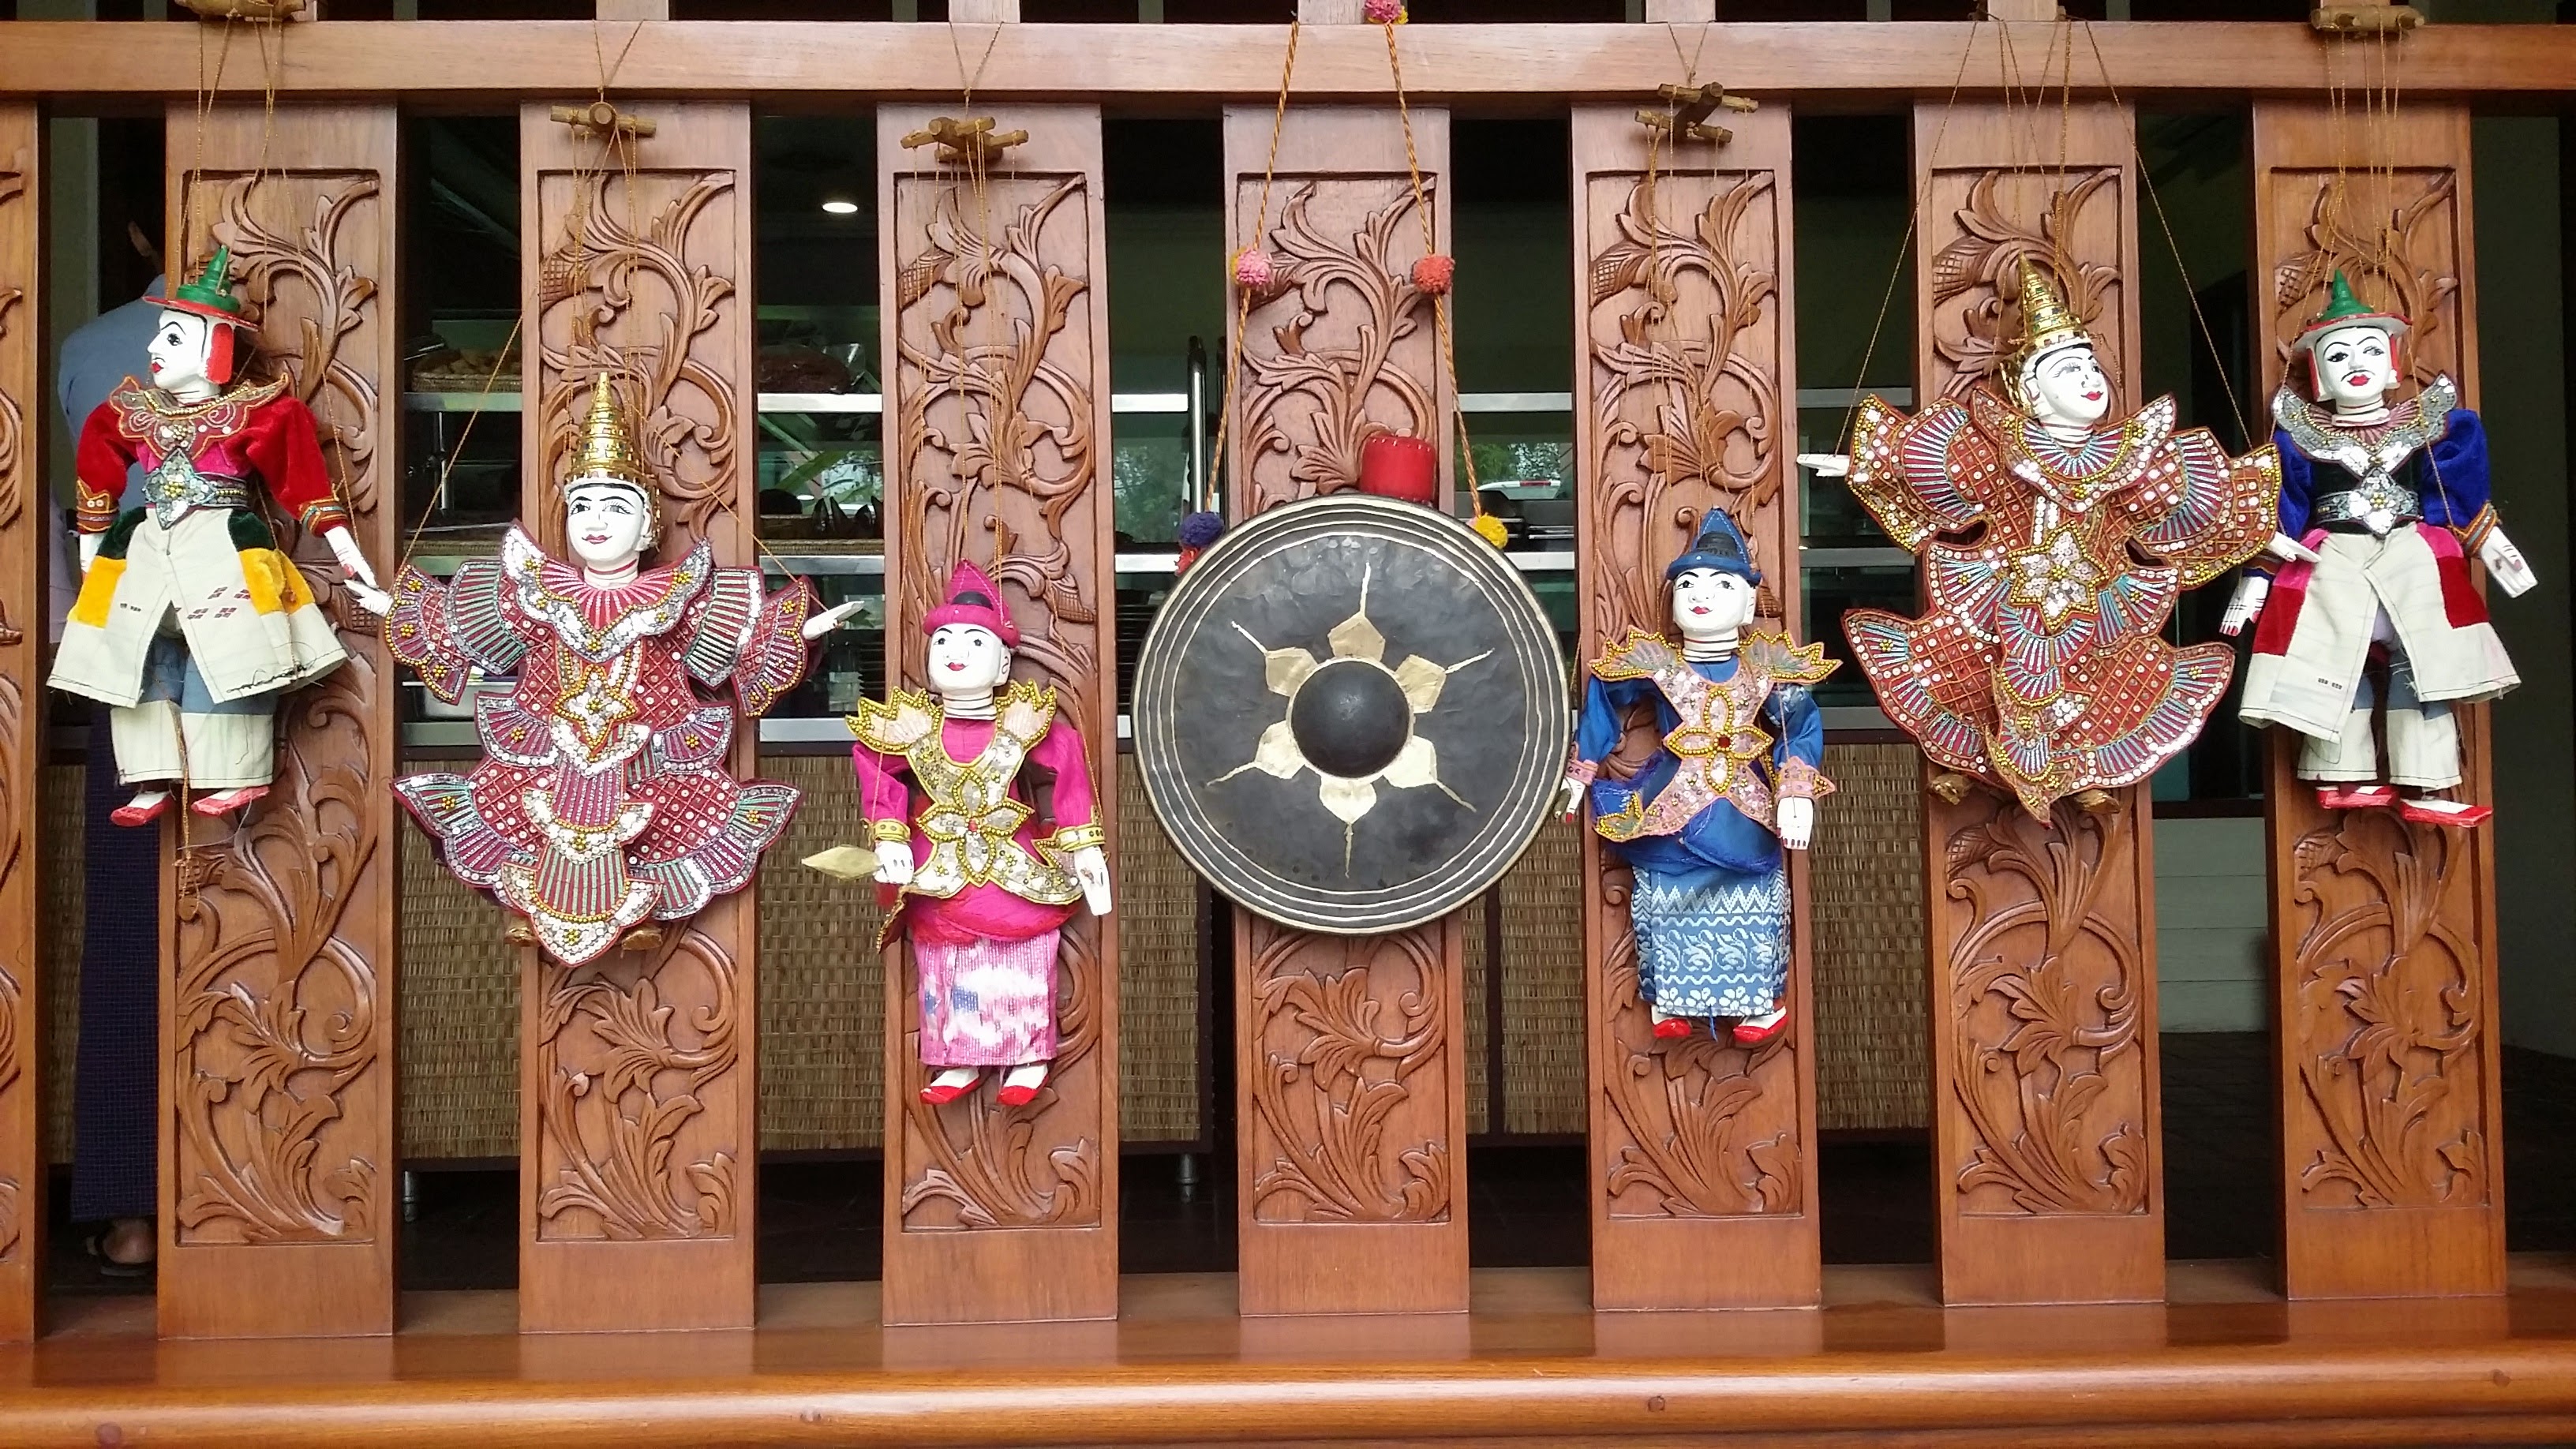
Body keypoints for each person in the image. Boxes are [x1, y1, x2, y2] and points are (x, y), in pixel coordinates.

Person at [375, 376, 862, 964]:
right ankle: (537, 909)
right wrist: (395, 606)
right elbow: (462, 626)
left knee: (672, 827)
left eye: (615, 507)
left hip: (650, 752)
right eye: (581, 506)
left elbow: (740, 640)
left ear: (649, 524)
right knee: (530, 822)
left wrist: (800, 629)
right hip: (549, 746)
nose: (595, 521)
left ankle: (637, 911)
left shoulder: (679, 597)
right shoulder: (536, 592)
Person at [1802, 260, 2307, 820]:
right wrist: (1861, 464)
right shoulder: (2003, 449)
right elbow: (1939, 470)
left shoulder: (2132, 455)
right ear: (2031, 392)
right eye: (2069, 370)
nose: (2090, 378)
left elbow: (2182, 500)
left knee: (2106, 676)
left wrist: (2263, 533)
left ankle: (2082, 771)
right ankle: (1971, 764)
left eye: (2091, 365)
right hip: (2003, 586)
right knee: (1964, 661)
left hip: (2098, 592)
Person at [48, 245, 385, 826]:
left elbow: (299, 480)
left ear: (215, 350)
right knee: (138, 653)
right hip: (147, 547)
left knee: (229, 655)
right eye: (160, 335)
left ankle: (234, 771)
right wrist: (90, 557)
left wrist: (344, 545)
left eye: (173, 338)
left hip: (223, 548)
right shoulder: (131, 414)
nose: (154, 349)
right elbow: (97, 478)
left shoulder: (255, 414)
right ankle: (151, 775)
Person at [2222, 271, 2532, 827]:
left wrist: (2494, 546)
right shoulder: (2300, 439)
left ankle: (2426, 780)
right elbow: (2284, 509)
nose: (2355, 363)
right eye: (2338, 355)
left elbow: (2450, 496)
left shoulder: (2429, 428)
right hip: (2333, 560)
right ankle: (2341, 771)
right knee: (2334, 662)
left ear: (2392, 365)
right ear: (2319, 377)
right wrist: (2255, 581)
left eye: (2369, 350)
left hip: (2412, 556)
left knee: (2427, 666)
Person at [1559, 509, 1833, 1046]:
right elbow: (1604, 698)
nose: (1700, 594)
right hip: (1673, 805)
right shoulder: (1656, 664)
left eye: (1721, 584)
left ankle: (1757, 1004)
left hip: (1744, 811)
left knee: (1756, 903)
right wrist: (1581, 768)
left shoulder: (1766, 668)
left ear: (1749, 604)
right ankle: (1669, 1000)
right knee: (1664, 900)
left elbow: (1799, 726)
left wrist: (1797, 790)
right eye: (1687, 584)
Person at [846, 560, 1114, 1107]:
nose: (956, 652)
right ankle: (958, 1056)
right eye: (943, 641)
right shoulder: (913, 728)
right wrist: (890, 836)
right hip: (940, 867)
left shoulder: (1024, 722)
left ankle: (1028, 1054)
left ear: (1003, 663)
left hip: (1013, 864)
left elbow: (1068, 771)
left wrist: (1084, 847)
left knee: (1022, 958)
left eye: (974, 641)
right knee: (946, 966)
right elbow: (876, 770)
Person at [52, 271, 164, 1277]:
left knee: (135, 918)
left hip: (125, 648)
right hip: (287, 662)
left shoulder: (95, 346)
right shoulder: (319, 332)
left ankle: (133, 1214)